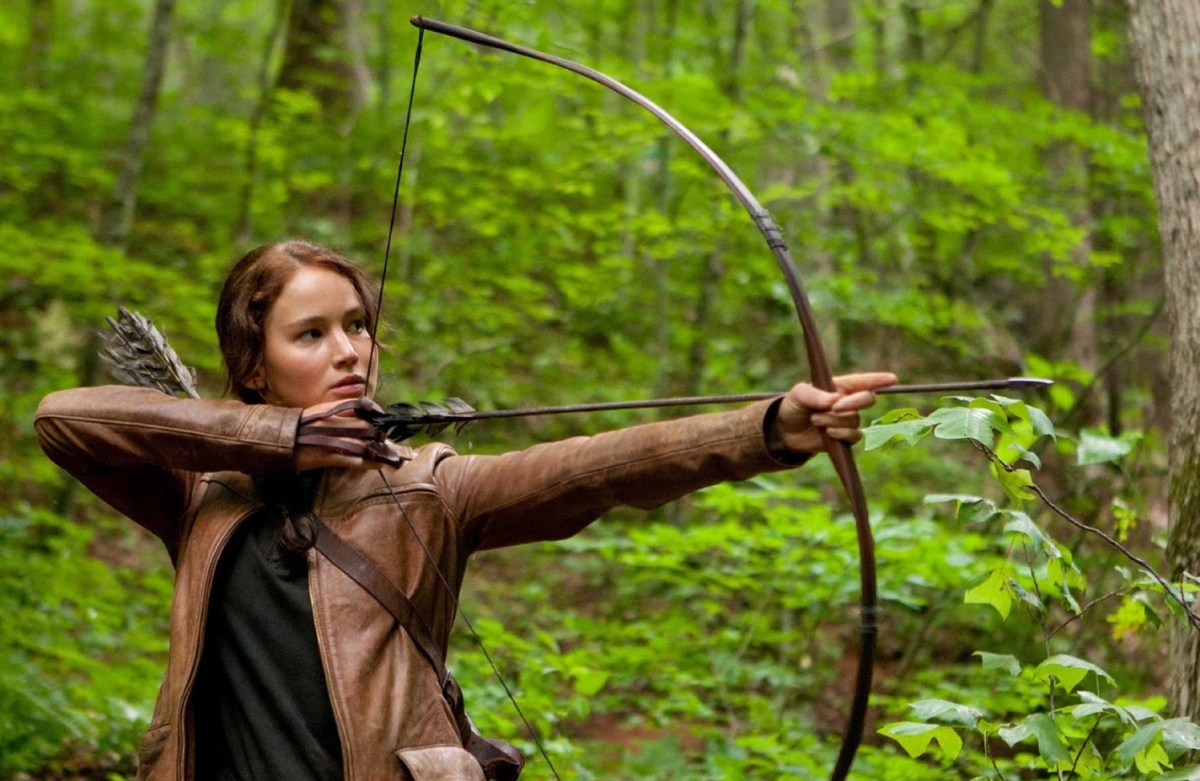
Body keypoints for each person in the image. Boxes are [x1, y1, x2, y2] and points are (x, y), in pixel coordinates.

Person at [34, 240, 897, 781]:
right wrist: (280, 437)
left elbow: (597, 467)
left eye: (358, 325)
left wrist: (770, 428)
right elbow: (64, 421)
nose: (350, 350)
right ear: (253, 366)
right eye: (311, 333)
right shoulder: (200, 498)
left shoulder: (427, 486)